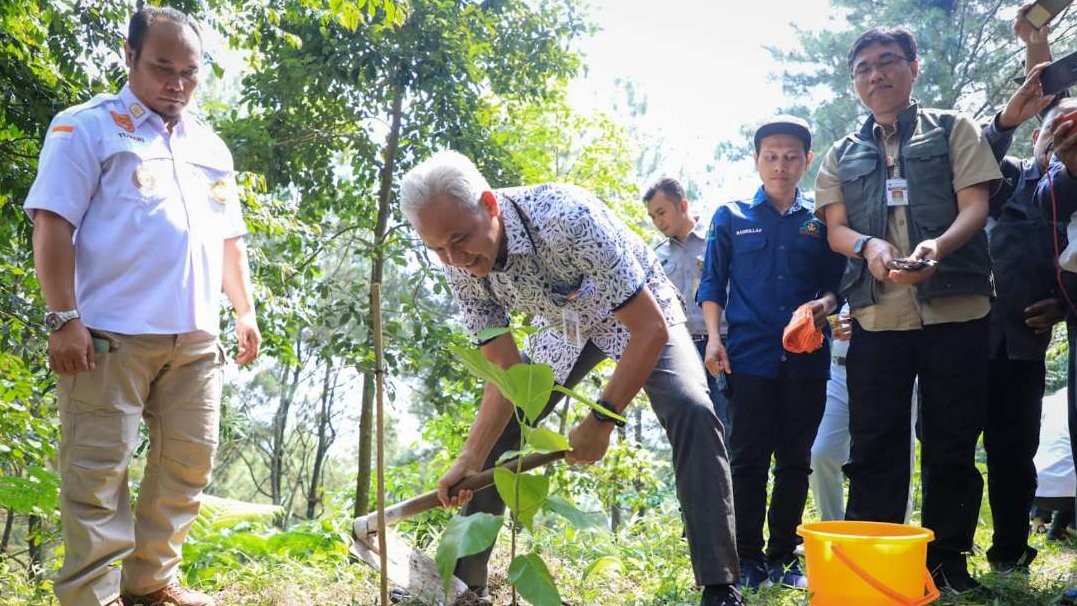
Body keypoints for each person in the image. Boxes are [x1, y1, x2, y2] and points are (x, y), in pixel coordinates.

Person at [399, 151, 743, 606]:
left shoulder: (566, 217)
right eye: (437, 248)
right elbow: (505, 368)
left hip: (640, 309)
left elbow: (649, 328)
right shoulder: (456, 262)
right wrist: (471, 455)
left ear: (489, 204)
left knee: (692, 408)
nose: (454, 258)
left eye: (460, 240)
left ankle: (720, 586)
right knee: (500, 439)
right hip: (566, 326)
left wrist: (602, 420)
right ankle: (465, 589)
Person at [25, 7, 261, 606]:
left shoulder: (211, 145)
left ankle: (152, 585)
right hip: (108, 338)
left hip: (195, 341)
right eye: (162, 68)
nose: (176, 83)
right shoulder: (85, 128)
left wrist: (244, 311)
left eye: (189, 72)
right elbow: (52, 224)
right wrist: (63, 317)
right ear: (129, 58)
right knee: (98, 474)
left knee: (187, 467)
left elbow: (228, 238)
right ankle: (91, 596)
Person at [813, 27, 1002, 594]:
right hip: (877, 316)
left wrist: (935, 248)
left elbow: (976, 204)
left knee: (950, 439)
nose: (876, 74)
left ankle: (947, 561)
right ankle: (876, 560)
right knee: (874, 443)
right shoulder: (841, 154)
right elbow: (835, 228)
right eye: (864, 68)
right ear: (855, 83)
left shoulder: (953, 128)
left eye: (888, 61)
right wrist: (867, 246)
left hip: (956, 309)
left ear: (913, 68)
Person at [697, 116, 846, 591]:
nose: (780, 166)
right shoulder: (731, 216)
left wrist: (820, 307)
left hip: (806, 357)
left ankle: (783, 556)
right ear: (758, 161)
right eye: (771, 156)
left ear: (806, 160)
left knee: (796, 459)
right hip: (748, 356)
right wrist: (715, 339)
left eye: (790, 157)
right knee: (747, 460)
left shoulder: (820, 221)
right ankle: (746, 559)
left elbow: (835, 286)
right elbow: (711, 284)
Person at [978, 8, 1070, 571]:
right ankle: (948, 553)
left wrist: (1064, 305)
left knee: (1016, 452)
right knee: (952, 448)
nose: (1055, 137)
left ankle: (1010, 552)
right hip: (965, 337)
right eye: (1050, 130)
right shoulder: (1003, 174)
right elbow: (1040, 100)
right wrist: (1039, 42)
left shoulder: (1070, 191)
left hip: (1024, 343)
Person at [644, 177, 732, 435]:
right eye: (652, 217)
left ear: (682, 205)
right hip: (683, 348)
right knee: (691, 428)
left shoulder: (716, 241)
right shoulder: (657, 257)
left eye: (662, 212)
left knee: (727, 424)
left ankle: (730, 477)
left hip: (722, 343)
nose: (658, 222)